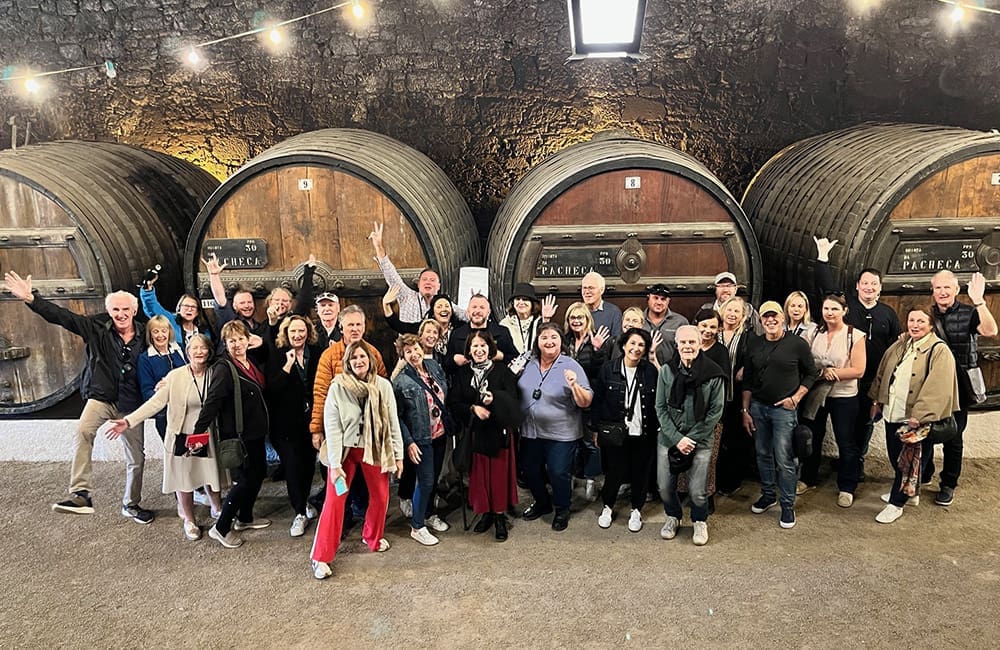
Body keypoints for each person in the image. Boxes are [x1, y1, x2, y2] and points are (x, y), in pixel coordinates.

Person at [5, 271, 153, 522]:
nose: (121, 314)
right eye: (116, 309)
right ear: (109, 311)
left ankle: (131, 503)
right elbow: (64, 318)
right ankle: (81, 493)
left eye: (125, 309)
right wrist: (32, 298)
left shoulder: (146, 333)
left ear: (134, 310)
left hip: (130, 403)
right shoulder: (96, 327)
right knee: (83, 431)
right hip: (102, 398)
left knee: (136, 458)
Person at [108, 334, 226, 541]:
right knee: (184, 478)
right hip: (181, 432)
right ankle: (189, 519)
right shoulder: (174, 376)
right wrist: (128, 421)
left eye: (203, 348)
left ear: (209, 351)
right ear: (187, 352)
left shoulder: (216, 373)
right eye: (194, 348)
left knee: (209, 472)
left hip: (206, 431)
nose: (199, 352)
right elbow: (155, 403)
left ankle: (216, 508)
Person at [310, 341, 404, 580]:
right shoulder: (337, 387)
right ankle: (320, 557)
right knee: (335, 499)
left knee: (382, 496)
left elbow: (393, 422)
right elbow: (332, 428)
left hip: (373, 449)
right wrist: (335, 466)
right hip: (344, 451)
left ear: (370, 359)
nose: (359, 361)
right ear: (347, 362)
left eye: (362, 356)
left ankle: (372, 536)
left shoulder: (382, 386)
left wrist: (399, 455)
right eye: (354, 358)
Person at [814, 237, 902, 479]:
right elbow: (827, 290)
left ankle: (857, 460)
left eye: (874, 284)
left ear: (880, 288)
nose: (869, 287)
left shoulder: (888, 313)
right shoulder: (848, 307)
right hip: (846, 378)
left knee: (866, 422)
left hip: (873, 378)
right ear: (857, 286)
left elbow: (896, 346)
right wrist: (823, 258)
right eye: (865, 283)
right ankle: (848, 459)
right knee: (845, 424)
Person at [869, 308, 960, 523]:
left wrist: (920, 416)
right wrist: (877, 401)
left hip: (915, 419)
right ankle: (911, 493)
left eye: (921, 321)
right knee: (896, 458)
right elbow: (883, 372)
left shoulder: (939, 350)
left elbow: (938, 387)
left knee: (907, 464)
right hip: (894, 412)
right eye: (911, 320)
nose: (915, 325)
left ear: (931, 324)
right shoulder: (902, 344)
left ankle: (896, 503)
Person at [193, 320, 277, 548]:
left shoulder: (249, 362)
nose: (237, 344)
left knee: (258, 474)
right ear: (225, 343)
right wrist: (198, 432)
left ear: (248, 340)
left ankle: (245, 517)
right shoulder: (224, 367)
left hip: (256, 431)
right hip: (240, 435)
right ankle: (220, 528)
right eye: (232, 341)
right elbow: (213, 401)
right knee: (244, 480)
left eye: (241, 339)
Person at [741, 301, 817, 529]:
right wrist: (745, 410)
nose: (770, 320)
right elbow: (748, 381)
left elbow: (811, 374)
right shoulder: (754, 344)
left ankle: (787, 505)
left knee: (784, 459)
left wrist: (796, 398)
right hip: (758, 407)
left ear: (782, 318)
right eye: (766, 317)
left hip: (784, 410)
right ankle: (767, 494)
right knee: (762, 454)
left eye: (775, 316)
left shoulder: (797, 344)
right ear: (761, 320)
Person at [926, 270, 998, 505]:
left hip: (960, 383)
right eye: (938, 288)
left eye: (948, 287)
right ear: (933, 290)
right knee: (923, 429)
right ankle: (924, 473)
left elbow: (990, 331)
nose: (943, 292)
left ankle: (948, 484)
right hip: (931, 383)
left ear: (957, 290)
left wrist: (979, 301)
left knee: (953, 437)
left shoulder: (970, 312)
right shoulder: (925, 314)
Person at [518, 322, 593, 531]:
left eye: (554, 337)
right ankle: (542, 503)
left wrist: (574, 385)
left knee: (558, 472)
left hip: (562, 433)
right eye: (544, 338)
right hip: (530, 431)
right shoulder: (529, 363)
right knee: (530, 470)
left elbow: (586, 401)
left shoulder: (571, 365)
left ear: (561, 342)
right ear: (538, 342)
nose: (549, 342)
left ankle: (562, 509)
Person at [447, 331, 522, 541]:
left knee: (497, 478)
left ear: (490, 348)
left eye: (483, 346)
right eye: (475, 346)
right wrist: (473, 408)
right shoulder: (462, 374)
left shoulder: (502, 371)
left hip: (498, 433)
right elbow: (454, 403)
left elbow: (513, 400)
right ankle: (486, 513)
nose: (479, 350)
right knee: (479, 478)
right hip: (475, 434)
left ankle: (499, 517)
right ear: (468, 350)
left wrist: (494, 398)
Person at [655, 325, 726, 545]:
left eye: (692, 342)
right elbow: (660, 407)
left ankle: (699, 520)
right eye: (683, 342)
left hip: (701, 440)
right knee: (665, 488)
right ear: (677, 344)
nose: (687, 346)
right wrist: (677, 439)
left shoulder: (713, 373)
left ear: (699, 343)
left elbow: (715, 411)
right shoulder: (667, 371)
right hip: (669, 438)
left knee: (697, 491)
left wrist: (691, 439)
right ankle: (673, 516)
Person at [798, 294, 867, 506]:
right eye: (826, 308)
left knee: (845, 441)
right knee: (813, 436)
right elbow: (804, 363)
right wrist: (820, 373)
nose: (830, 313)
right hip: (818, 394)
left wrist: (833, 372)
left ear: (844, 311)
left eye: (835, 309)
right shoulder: (813, 333)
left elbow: (859, 370)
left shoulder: (855, 335)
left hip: (843, 395)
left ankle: (847, 486)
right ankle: (807, 478)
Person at [590, 328, 659, 532]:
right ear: (623, 345)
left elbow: (659, 399)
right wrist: (595, 429)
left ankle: (636, 510)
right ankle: (607, 507)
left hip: (643, 431)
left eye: (641, 345)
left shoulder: (649, 370)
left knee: (641, 472)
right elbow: (598, 401)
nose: (636, 349)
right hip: (615, 431)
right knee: (614, 472)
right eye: (633, 343)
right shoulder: (608, 368)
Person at [393, 334, 451, 546]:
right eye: (408, 351)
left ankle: (428, 514)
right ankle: (417, 526)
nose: (414, 354)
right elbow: (396, 416)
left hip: (440, 433)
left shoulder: (433, 365)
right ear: (403, 355)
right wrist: (409, 442)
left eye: (415, 348)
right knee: (425, 481)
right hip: (420, 438)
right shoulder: (400, 382)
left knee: (434, 478)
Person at [271, 314, 323, 537]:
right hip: (285, 424)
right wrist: (288, 365)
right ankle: (299, 512)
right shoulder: (277, 355)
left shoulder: (317, 354)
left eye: (301, 330)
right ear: (286, 333)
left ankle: (303, 502)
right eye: (293, 331)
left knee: (308, 466)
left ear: (308, 332)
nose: (297, 335)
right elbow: (272, 390)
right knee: (292, 467)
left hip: (310, 422)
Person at [369, 221, 465, 323]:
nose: (428, 282)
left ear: (438, 286)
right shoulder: (407, 296)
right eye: (424, 279)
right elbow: (392, 276)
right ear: (418, 284)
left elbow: (466, 316)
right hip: (408, 339)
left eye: (432, 280)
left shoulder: (445, 305)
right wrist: (379, 247)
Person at [563, 301, 610, 501]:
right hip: (567, 399)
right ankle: (572, 475)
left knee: (590, 441)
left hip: (589, 397)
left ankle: (591, 479)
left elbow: (602, 371)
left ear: (587, 319)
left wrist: (598, 351)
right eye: (572, 318)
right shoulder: (563, 341)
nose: (576, 321)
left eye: (580, 317)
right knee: (570, 440)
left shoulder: (596, 341)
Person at [714, 296, 755, 496]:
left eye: (737, 311)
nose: (732, 314)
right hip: (717, 395)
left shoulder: (748, 336)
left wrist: (745, 368)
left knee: (736, 439)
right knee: (717, 440)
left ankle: (732, 481)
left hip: (737, 394)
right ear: (722, 311)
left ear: (743, 316)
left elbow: (755, 357)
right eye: (729, 310)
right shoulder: (714, 333)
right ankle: (716, 480)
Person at [203, 254, 269, 354]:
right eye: (242, 303)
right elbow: (220, 298)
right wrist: (214, 275)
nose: (247, 306)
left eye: (249, 302)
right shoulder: (229, 319)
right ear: (234, 306)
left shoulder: (259, 327)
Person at [137, 315, 185, 441]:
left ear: (169, 332)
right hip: (165, 408)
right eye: (155, 331)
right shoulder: (145, 358)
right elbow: (146, 391)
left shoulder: (181, 349)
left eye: (164, 331)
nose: (160, 335)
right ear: (150, 335)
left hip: (187, 403)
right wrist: (157, 391)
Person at [444, 294, 517, 375]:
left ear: (488, 311)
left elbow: (515, 360)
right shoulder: (457, 333)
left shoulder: (502, 332)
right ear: (468, 311)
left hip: (495, 384)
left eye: (482, 307)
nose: (477, 311)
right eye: (474, 307)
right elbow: (446, 365)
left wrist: (502, 357)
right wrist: (454, 360)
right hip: (464, 384)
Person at [139, 271, 212, 348]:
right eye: (186, 306)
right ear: (179, 309)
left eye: (193, 307)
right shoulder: (170, 321)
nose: (189, 309)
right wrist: (148, 290)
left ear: (197, 312)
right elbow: (153, 308)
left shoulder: (204, 331)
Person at [293, 255, 343, 347]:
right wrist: (308, 274)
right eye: (323, 305)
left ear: (338, 308)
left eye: (330, 305)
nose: (327, 308)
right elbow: (300, 309)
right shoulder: (312, 330)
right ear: (317, 310)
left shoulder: (345, 329)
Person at [499, 283, 556, 358]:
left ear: (532, 303)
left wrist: (545, 320)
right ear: (513, 303)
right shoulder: (505, 324)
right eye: (518, 299)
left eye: (525, 299)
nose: (521, 302)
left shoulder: (539, 322)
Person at [643, 283, 688, 365]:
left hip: (671, 372)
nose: (659, 302)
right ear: (648, 298)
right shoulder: (638, 320)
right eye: (655, 298)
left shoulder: (680, 322)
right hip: (642, 371)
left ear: (668, 301)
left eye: (663, 299)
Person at [581, 270, 623, 339]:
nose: (587, 292)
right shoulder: (576, 311)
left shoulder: (613, 312)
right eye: (584, 288)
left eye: (591, 288)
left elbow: (617, 342)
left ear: (602, 290)